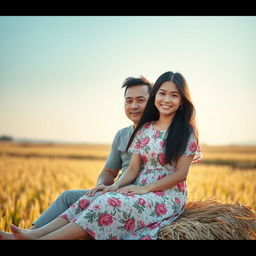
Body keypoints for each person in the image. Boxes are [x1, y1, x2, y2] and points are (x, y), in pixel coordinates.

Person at [0, 71, 202, 240]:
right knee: (99, 195)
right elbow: (132, 168)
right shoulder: (145, 129)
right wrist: (113, 186)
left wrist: (145, 189)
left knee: (107, 204)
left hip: (167, 194)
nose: (167, 100)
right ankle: (36, 234)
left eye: (174, 95)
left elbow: (181, 174)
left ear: (182, 101)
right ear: (155, 97)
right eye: (162, 93)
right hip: (139, 186)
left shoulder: (186, 132)